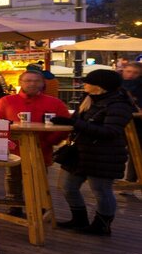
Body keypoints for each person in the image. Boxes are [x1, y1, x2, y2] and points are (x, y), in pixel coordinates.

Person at [50, 70, 135, 235]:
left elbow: (110, 132)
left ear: (100, 86)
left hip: (104, 155)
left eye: (88, 82)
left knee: (101, 190)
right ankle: (79, 219)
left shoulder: (119, 104)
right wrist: (71, 124)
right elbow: (78, 122)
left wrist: (74, 124)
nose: (84, 84)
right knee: (68, 186)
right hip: (80, 152)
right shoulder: (88, 99)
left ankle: (102, 225)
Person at [0, 71, 71, 215]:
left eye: (36, 81)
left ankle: (39, 205)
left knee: (39, 178)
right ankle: (14, 206)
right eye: (28, 81)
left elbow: (66, 125)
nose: (32, 84)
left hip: (41, 149)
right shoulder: (6, 101)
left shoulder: (54, 103)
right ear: (20, 83)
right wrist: (6, 144)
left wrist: (50, 141)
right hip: (14, 149)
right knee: (12, 177)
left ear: (42, 83)